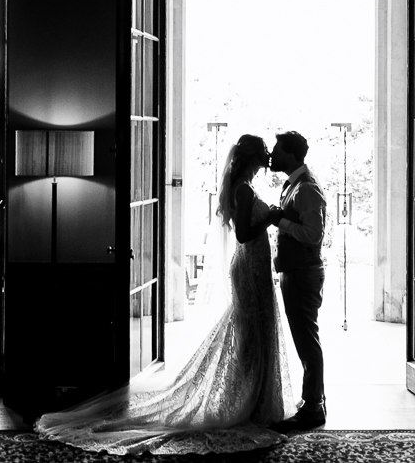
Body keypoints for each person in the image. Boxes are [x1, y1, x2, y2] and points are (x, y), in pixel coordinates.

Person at [36, 133, 299, 455]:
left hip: (254, 264)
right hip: (250, 263)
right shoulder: (244, 190)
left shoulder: (243, 186)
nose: (269, 155)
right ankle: (247, 400)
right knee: (251, 329)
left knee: (254, 331)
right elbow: (244, 233)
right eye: (264, 152)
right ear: (253, 158)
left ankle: (253, 398)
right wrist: (271, 218)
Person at [266, 129, 327, 430]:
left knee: (306, 337)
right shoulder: (292, 185)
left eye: (277, 150)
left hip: (304, 272)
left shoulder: (306, 189)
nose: (272, 156)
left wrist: (281, 221)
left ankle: (314, 407)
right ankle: (314, 398)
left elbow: (314, 235)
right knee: (303, 336)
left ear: (290, 154)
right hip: (294, 270)